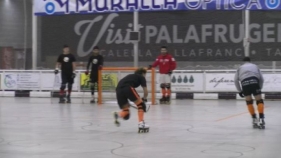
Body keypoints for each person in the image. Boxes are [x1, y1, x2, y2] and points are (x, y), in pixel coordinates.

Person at [113, 68, 150, 133]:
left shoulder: (130, 76)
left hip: (118, 90)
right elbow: (145, 91)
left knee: (126, 111)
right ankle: (141, 123)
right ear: (143, 73)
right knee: (140, 105)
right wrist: (144, 99)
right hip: (127, 88)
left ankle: (118, 115)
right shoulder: (141, 77)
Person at [234, 57, 265, 129]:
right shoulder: (255, 66)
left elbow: (235, 80)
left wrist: (239, 91)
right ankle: (261, 119)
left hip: (245, 83)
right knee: (259, 101)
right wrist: (259, 87)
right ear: (250, 61)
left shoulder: (240, 68)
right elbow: (262, 79)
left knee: (249, 102)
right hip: (254, 81)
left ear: (243, 62)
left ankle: (254, 119)